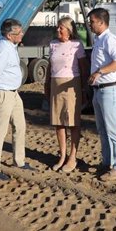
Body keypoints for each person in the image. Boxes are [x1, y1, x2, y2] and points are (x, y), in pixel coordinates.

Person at [0, 18, 36, 181]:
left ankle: (19, 160)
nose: (22, 34)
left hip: (14, 94)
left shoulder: (10, 46)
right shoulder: (3, 48)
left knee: (20, 126)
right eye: (18, 32)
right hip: (3, 94)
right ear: (8, 35)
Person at [87, 7, 116, 182]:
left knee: (113, 130)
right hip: (99, 90)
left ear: (102, 22)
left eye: (92, 22)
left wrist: (99, 72)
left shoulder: (110, 40)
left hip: (109, 90)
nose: (90, 25)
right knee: (102, 129)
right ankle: (107, 162)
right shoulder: (99, 40)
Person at [45, 17, 88, 173]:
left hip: (71, 85)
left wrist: (83, 90)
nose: (58, 30)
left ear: (69, 30)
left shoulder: (77, 45)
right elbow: (50, 67)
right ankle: (62, 156)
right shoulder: (53, 44)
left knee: (73, 122)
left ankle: (72, 158)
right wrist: (47, 84)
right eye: (57, 27)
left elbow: (84, 69)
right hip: (55, 85)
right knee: (59, 122)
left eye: (61, 28)